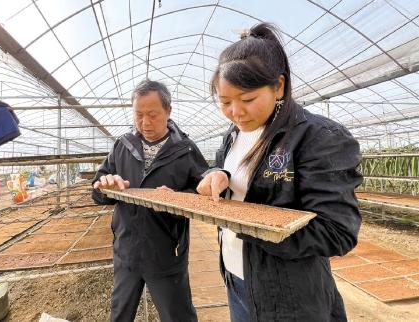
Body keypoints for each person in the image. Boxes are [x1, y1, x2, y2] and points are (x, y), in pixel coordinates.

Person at [196, 23, 363, 322]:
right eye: (225, 102)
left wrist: (249, 222)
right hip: (236, 277)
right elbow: (224, 167)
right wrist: (216, 173)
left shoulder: (318, 137)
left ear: (279, 86)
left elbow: (337, 232)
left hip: (287, 296)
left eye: (247, 99)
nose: (236, 112)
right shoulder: (233, 135)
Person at [92, 79, 208, 322]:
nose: (145, 122)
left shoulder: (185, 150)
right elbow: (98, 187)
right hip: (126, 252)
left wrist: (179, 199)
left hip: (166, 253)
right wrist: (105, 186)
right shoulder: (122, 146)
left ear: (168, 111)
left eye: (153, 115)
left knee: (178, 316)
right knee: (119, 314)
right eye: (138, 115)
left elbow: (203, 195)